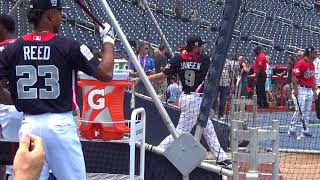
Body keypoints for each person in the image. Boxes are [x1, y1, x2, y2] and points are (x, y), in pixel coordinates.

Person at [0, 0, 115, 179]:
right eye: (59, 14)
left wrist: (18, 98)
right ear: (51, 15)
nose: (61, 18)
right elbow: (106, 73)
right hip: (60, 125)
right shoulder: (69, 46)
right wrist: (108, 41)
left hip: (28, 125)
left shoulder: (11, 49)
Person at [138, 36, 231, 168]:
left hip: (189, 97)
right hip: (195, 99)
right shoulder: (204, 59)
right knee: (180, 132)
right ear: (194, 47)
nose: (201, 48)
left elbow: (163, 75)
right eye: (199, 46)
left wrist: (145, 78)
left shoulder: (179, 58)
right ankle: (158, 150)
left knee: (207, 128)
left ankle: (222, 158)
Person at [0, 14, 23, 180]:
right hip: (34, 111)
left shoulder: (2, 50)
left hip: (6, 112)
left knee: (5, 160)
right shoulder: (28, 46)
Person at [288, 46, 318, 139]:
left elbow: (312, 79)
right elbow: (294, 76)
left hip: (309, 90)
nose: (316, 54)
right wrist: (296, 90)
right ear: (309, 53)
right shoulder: (300, 63)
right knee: (299, 110)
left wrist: (315, 92)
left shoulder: (312, 65)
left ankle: (305, 130)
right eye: (314, 52)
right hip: (301, 89)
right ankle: (292, 129)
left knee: (307, 111)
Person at [314, 55, 320, 120]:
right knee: (317, 100)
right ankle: (318, 116)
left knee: (317, 100)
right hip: (316, 84)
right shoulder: (313, 62)